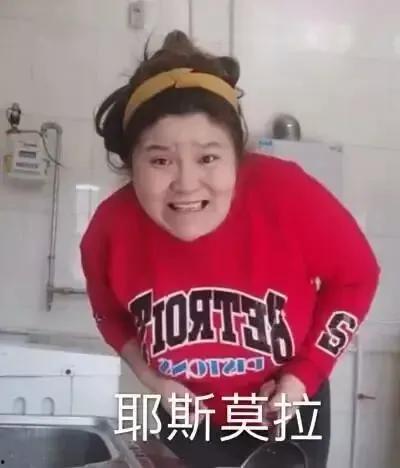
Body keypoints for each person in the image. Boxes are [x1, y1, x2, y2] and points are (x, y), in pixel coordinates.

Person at [80, 30, 380, 468]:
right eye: (160, 160)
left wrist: (303, 376)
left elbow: (357, 276)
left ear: (238, 157)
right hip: (186, 417)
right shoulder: (110, 230)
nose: (186, 184)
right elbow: (110, 313)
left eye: (208, 158)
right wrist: (154, 380)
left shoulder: (286, 194)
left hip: (287, 409)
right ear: (131, 163)